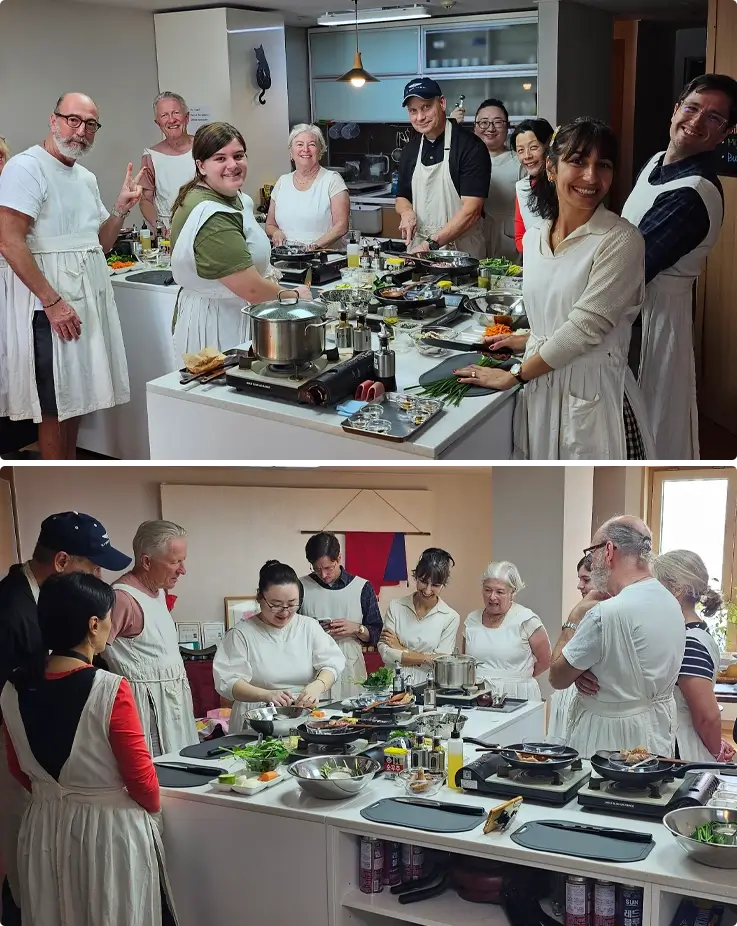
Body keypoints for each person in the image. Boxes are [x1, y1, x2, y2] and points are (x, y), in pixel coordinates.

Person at [453, 119, 655, 464]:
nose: (591, 177)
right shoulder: (534, 238)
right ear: (551, 167)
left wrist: (514, 374)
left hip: (593, 393)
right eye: (578, 161)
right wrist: (529, 336)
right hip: (542, 387)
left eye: (602, 165)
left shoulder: (620, 240)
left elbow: (584, 329)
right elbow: (556, 309)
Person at [1, 572, 177, 926]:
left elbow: (19, 768)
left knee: (53, 910)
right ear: (93, 625)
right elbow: (142, 780)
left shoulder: (13, 687)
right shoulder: (109, 688)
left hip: (43, 825)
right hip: (109, 830)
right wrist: (154, 810)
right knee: (111, 912)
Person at [0, 511, 131, 926]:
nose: (96, 576)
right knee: (34, 861)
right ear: (60, 562)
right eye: (91, 566)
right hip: (21, 748)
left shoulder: (46, 597)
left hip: (55, 753)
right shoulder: (10, 608)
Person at [0, 92, 135, 463]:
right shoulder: (27, 167)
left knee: (76, 398)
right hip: (48, 306)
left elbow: (100, 244)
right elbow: (10, 242)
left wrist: (121, 208)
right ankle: (56, 483)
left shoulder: (86, 177)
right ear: (53, 119)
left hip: (84, 302)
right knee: (55, 403)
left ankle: (69, 473)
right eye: (73, 120)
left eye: (90, 124)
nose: (81, 132)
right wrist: (53, 302)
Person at [621, 74, 737, 464]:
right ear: (675, 110)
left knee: (647, 422)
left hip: (653, 319)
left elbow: (631, 267)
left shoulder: (693, 193)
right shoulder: (655, 163)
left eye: (714, 118)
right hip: (628, 311)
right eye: (692, 107)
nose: (697, 121)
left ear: (726, 133)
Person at [170, 122, 311, 357]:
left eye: (238, 156)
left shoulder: (234, 197)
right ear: (201, 166)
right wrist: (293, 296)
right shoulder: (211, 216)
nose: (232, 165)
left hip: (238, 313)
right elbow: (252, 289)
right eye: (220, 158)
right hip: (218, 325)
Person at [549, 516, 686, 758]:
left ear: (609, 551)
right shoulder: (670, 602)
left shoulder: (605, 614)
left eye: (593, 552)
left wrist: (573, 617)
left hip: (609, 739)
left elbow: (557, 677)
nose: (593, 560)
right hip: (656, 731)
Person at [213, 560, 346, 733]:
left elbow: (332, 663)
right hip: (258, 720)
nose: (284, 612)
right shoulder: (241, 634)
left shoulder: (309, 627)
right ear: (260, 598)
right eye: (275, 605)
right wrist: (267, 695)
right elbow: (228, 681)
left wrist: (318, 685)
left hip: (303, 717)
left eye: (291, 604)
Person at [105, 520, 198, 756]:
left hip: (173, 701)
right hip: (147, 708)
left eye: (182, 560)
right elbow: (89, 653)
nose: (182, 570)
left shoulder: (158, 591)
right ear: (146, 561)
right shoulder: (122, 599)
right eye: (175, 562)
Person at [653, 550, 733, 762]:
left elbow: (707, 716)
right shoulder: (696, 632)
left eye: (655, 587)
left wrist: (716, 750)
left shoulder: (689, 643)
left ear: (677, 590)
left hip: (684, 749)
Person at [395, 78, 489, 258]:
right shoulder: (410, 150)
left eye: (426, 107)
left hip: (462, 253)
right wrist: (406, 212)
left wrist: (431, 244)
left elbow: (472, 210)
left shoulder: (470, 146)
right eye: (413, 111)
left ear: (442, 103)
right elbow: (402, 197)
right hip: (420, 250)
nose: (420, 117)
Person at [299, 532, 383, 699]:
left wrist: (357, 628)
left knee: (351, 717)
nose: (323, 575)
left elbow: (377, 633)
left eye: (328, 568)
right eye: (316, 569)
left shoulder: (362, 587)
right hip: (312, 666)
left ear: (339, 558)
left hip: (350, 665)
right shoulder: (301, 586)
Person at [463, 561, 551, 700]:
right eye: (487, 590)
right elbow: (466, 662)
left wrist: (517, 678)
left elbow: (545, 660)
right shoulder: (471, 620)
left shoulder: (526, 620)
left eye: (500, 592)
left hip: (519, 695)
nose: (492, 597)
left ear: (512, 592)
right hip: (479, 696)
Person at [378, 549, 460, 687]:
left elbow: (441, 663)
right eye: (423, 581)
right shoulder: (396, 606)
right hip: (393, 684)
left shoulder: (450, 617)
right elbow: (385, 653)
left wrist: (401, 648)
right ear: (416, 576)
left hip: (428, 687)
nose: (428, 590)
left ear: (443, 584)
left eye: (435, 585)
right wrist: (427, 658)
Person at [266, 124, 349, 248]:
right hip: (286, 257)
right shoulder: (282, 182)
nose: (305, 149)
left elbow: (342, 226)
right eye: (299, 144)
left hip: (323, 257)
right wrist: (276, 232)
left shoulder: (332, 180)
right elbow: (270, 225)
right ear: (291, 151)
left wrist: (313, 247)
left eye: (312, 144)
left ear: (320, 151)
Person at [547, 555, 600, 740]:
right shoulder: (584, 610)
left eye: (586, 579)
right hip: (568, 691)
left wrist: (574, 617)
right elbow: (555, 664)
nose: (579, 585)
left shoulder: (600, 615)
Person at [471, 99, 524, 260]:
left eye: (498, 122)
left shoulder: (520, 161)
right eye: (484, 122)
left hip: (508, 239)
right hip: (472, 236)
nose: (490, 128)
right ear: (475, 127)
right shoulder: (465, 160)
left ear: (507, 127)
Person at [140, 92, 195, 236]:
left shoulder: (205, 147)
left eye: (176, 113)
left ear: (186, 117)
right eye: (164, 115)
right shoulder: (151, 156)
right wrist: (158, 227)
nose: (171, 120)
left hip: (208, 229)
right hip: (170, 234)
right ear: (158, 123)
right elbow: (145, 199)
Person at [511, 118, 555, 252]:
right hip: (535, 261)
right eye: (520, 150)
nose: (527, 156)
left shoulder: (563, 183)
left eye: (533, 147)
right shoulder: (522, 188)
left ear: (548, 147)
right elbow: (520, 237)